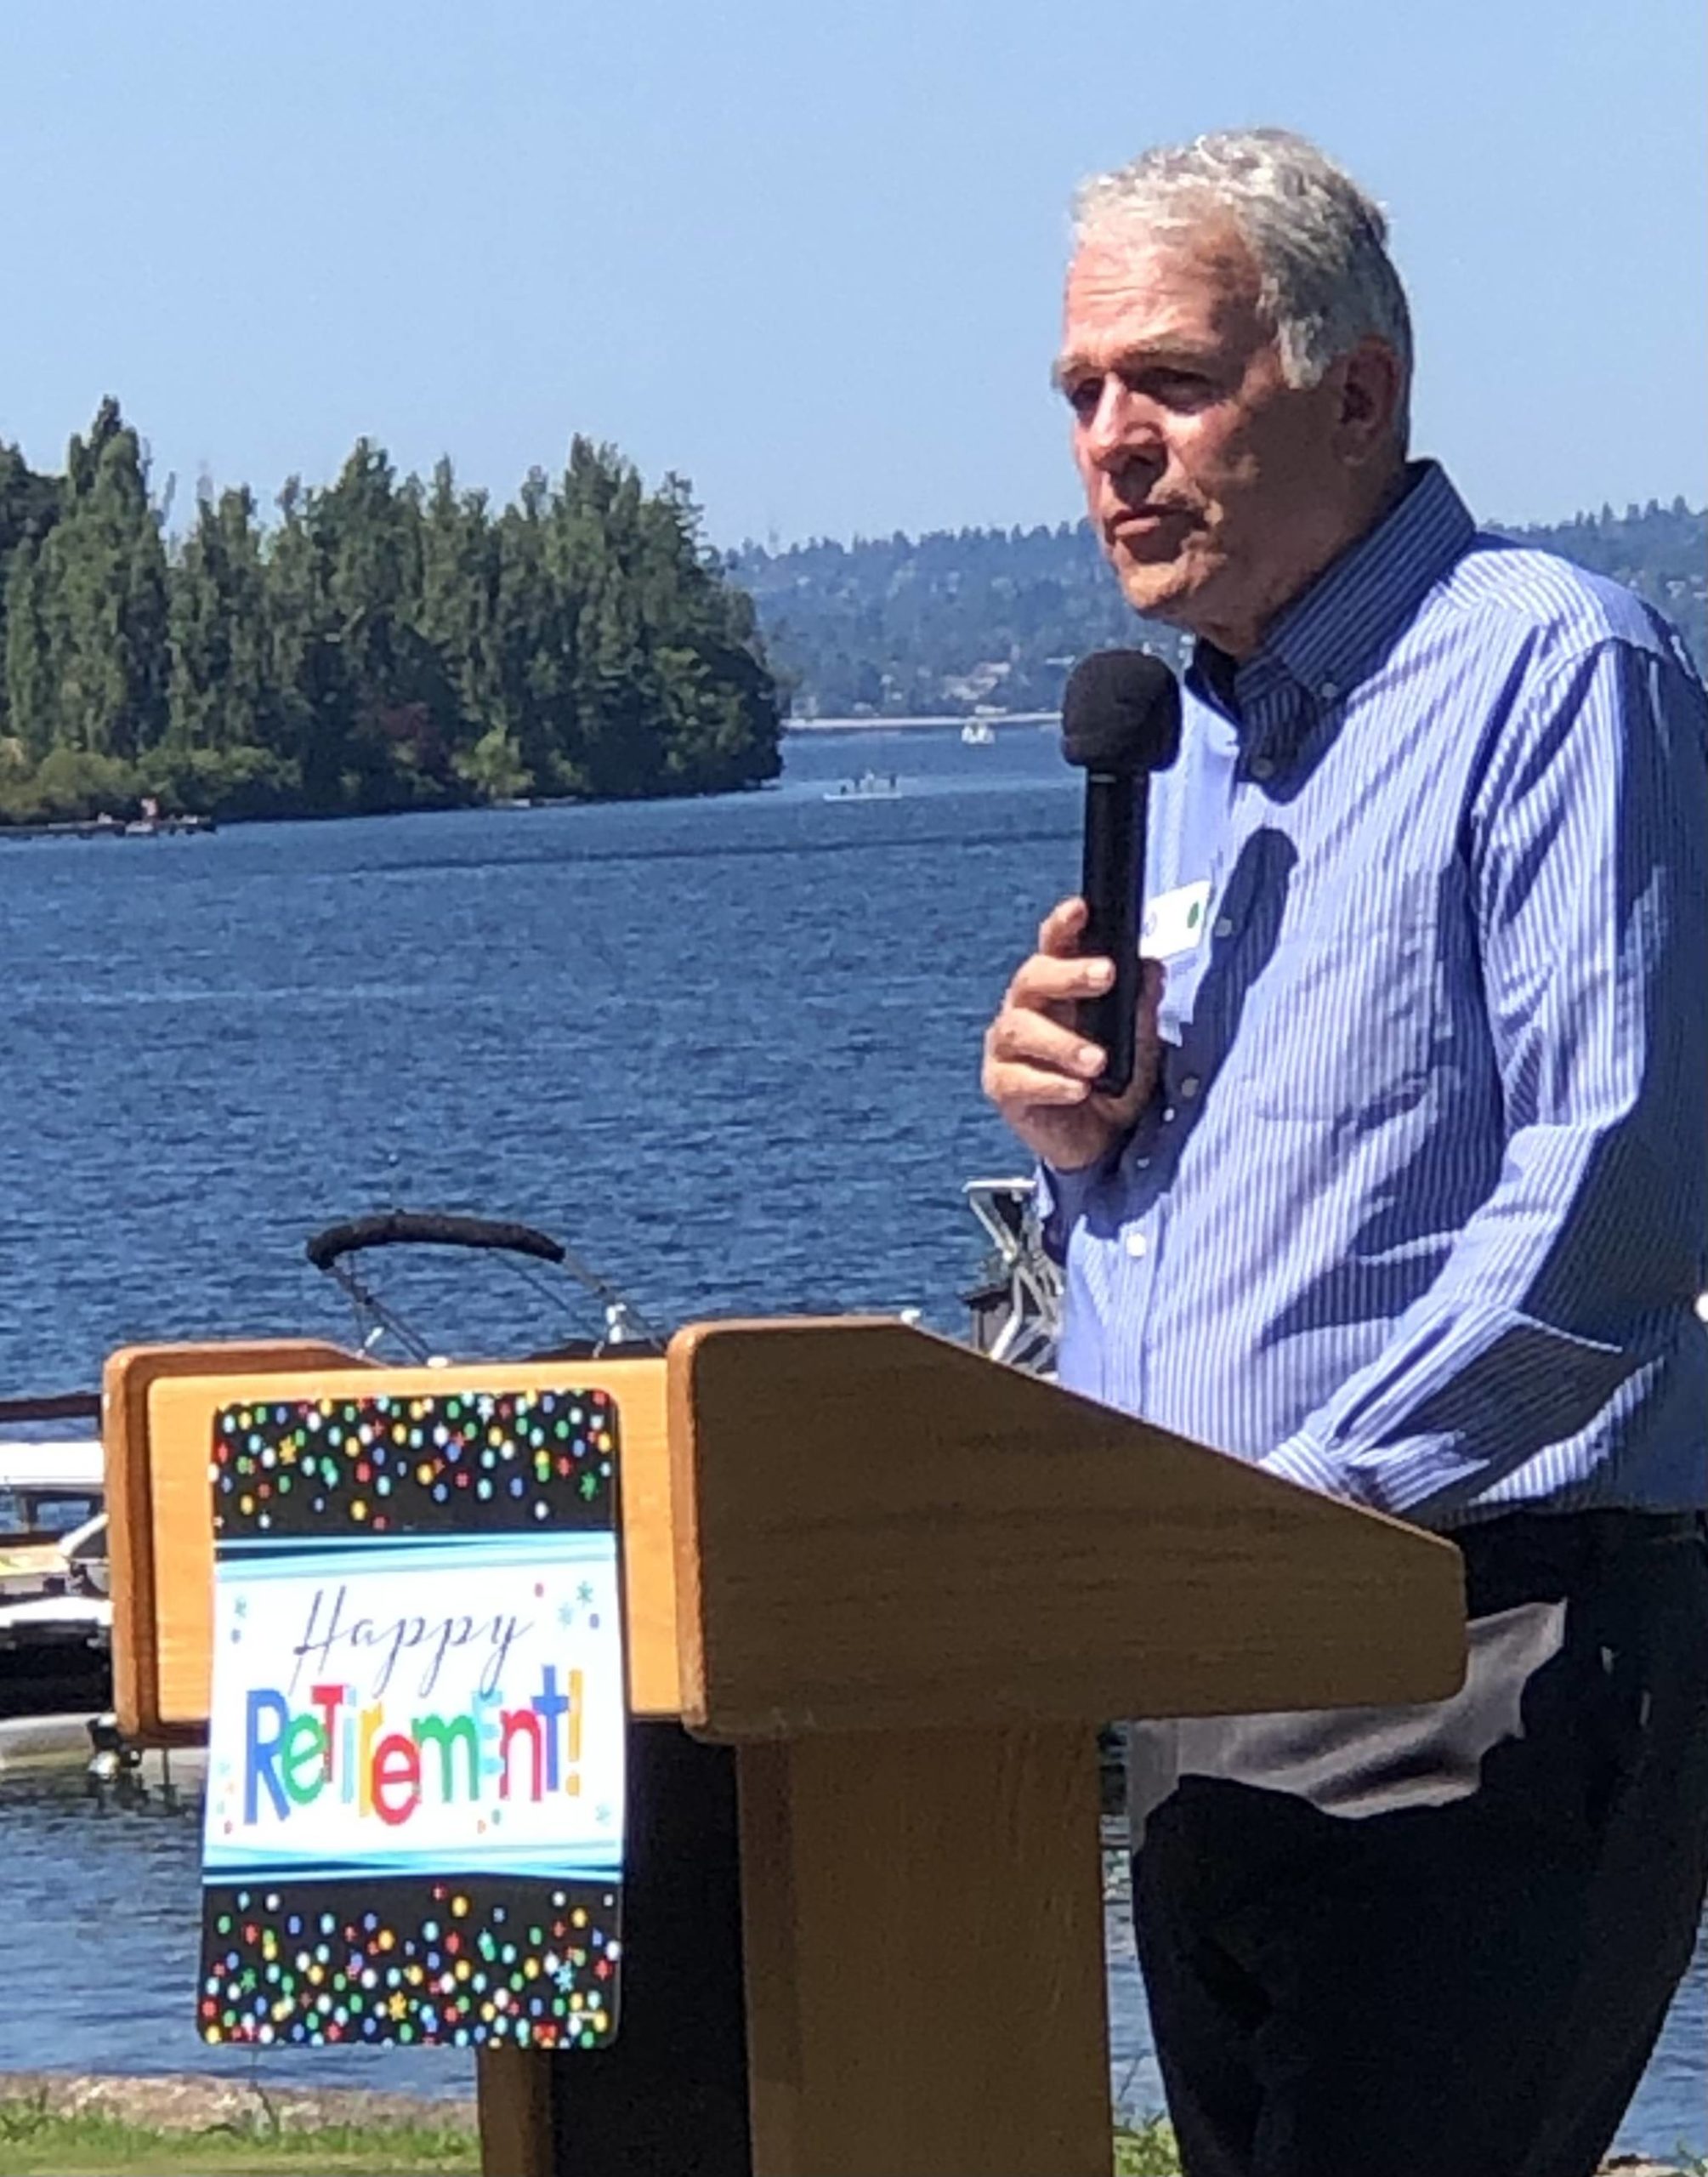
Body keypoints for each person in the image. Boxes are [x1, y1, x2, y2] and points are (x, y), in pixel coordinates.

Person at [982, 128, 1708, 2177]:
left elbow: (1614, 1202)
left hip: (1466, 1643)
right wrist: (1072, 1153)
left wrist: (1303, 1523)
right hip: (1207, 1679)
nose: (1113, 444)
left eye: (1173, 382)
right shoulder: (1181, 745)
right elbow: (1222, 1246)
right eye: (1081, 395)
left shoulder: (1548, 673)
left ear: (1360, 391)